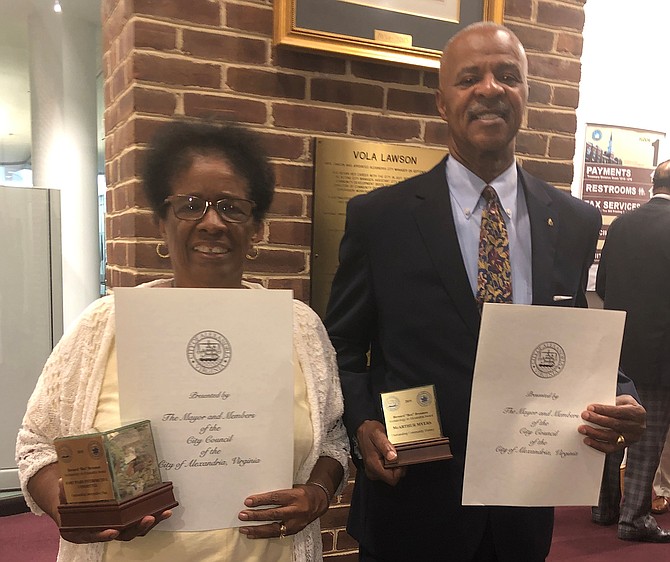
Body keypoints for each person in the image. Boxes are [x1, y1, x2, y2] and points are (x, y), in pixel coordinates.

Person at [325, 22, 645, 561]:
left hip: (521, 508)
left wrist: (623, 394)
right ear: (442, 103)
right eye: (468, 78)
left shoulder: (573, 220)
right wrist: (360, 423)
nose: (490, 88)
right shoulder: (380, 218)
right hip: (413, 500)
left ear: (525, 96)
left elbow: (570, 338)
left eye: (508, 76)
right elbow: (343, 345)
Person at [16, 119, 349, 562]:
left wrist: (319, 492)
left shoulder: (300, 328)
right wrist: (67, 503)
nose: (212, 222)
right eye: (191, 205)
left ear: (256, 228)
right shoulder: (103, 326)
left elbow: (332, 440)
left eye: (232, 207)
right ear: (160, 222)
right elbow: (36, 444)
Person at [594, 159, 670, 542]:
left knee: (610, 426)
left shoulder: (621, 225)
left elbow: (602, 284)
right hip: (662, 354)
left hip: (616, 347)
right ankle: (633, 519)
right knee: (647, 437)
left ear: (650, 185)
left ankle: (604, 507)